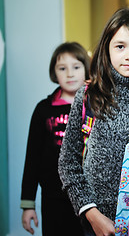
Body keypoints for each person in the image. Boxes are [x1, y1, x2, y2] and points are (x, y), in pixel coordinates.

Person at [58, 7, 129, 236]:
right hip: (96, 224)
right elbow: (68, 163)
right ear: (106, 49)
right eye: (120, 46)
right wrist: (92, 214)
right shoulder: (89, 96)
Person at [20, 42, 90, 235]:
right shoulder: (44, 110)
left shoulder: (95, 106)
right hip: (54, 198)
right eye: (62, 68)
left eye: (76, 67)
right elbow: (32, 157)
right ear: (54, 72)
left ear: (86, 69)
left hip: (90, 197)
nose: (70, 73)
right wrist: (28, 204)